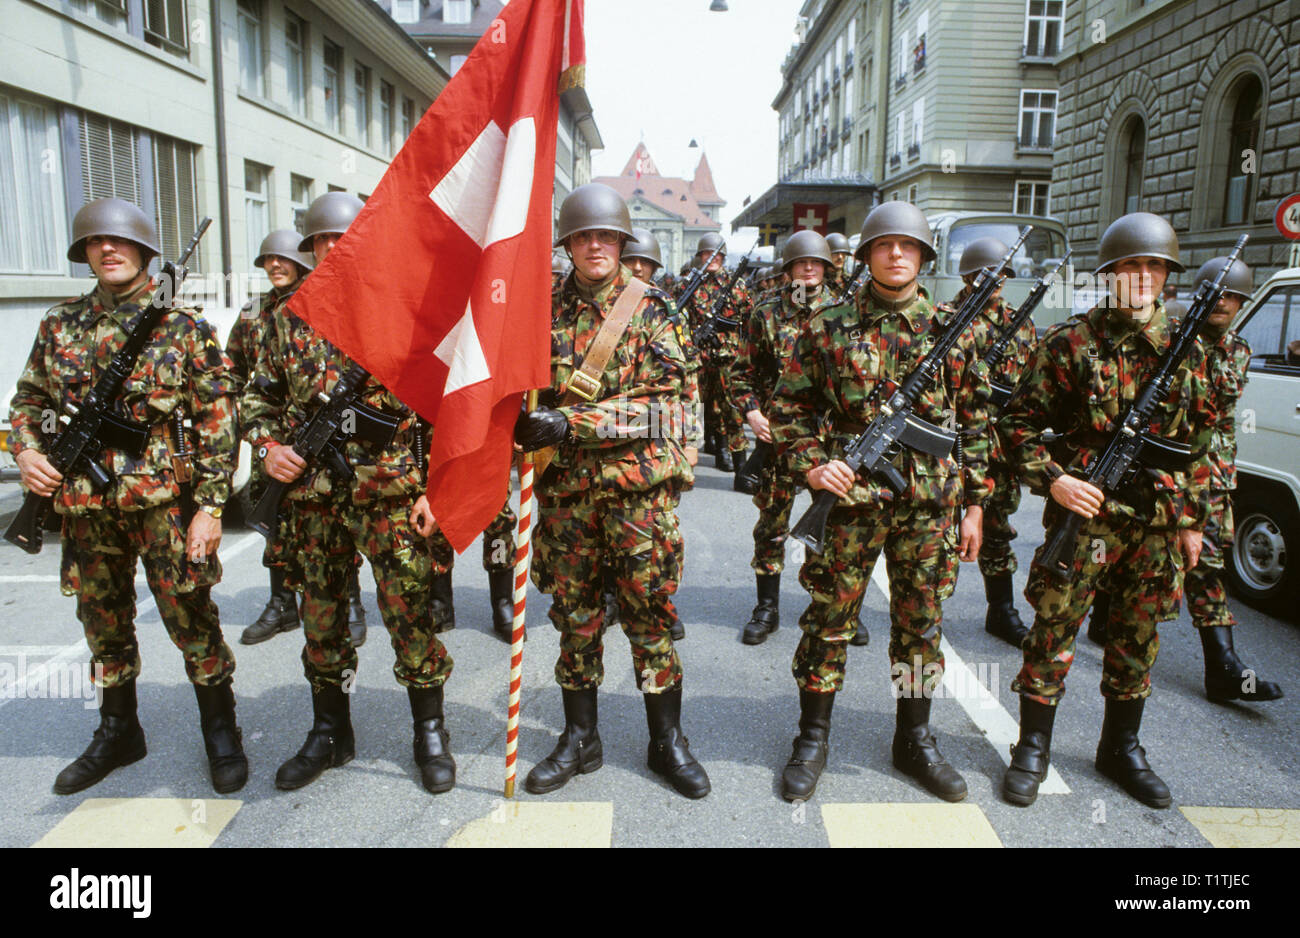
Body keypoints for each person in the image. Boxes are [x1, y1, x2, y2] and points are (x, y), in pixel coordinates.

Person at [10, 198, 246, 795]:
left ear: (144, 251)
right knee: (102, 624)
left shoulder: (182, 328)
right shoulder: (59, 324)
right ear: (84, 254)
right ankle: (118, 730)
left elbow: (218, 422)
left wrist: (212, 508)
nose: (107, 249)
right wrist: (27, 453)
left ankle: (221, 731)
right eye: (94, 243)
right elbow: (27, 405)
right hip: (86, 510)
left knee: (192, 618)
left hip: (164, 505)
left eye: (119, 241)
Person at [768, 201, 991, 803]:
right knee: (828, 623)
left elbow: (974, 424)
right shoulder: (825, 325)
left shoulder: (956, 328)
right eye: (885, 245)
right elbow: (788, 410)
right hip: (849, 507)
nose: (897, 254)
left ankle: (914, 739)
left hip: (929, 509)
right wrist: (814, 465)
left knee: (921, 626)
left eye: (909, 246)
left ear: (923, 256)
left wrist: (975, 506)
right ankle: (812, 738)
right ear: (866, 255)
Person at [241, 191, 455, 794]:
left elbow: (444, 411)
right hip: (312, 500)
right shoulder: (288, 317)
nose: (335, 249)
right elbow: (256, 397)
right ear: (312, 250)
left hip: (390, 496)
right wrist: (268, 446)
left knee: (410, 614)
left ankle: (429, 732)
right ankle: (330, 731)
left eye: (345, 238)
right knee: (322, 618)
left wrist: (437, 490)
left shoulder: (410, 311)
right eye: (323, 242)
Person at [999, 212, 1214, 809]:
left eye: (1154, 267)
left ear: (1166, 277)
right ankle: (1032, 747)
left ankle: (1121, 748)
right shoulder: (1071, 342)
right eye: (1131, 266)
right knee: (1053, 631)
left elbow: (1204, 442)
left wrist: (1195, 519)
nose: (1143, 276)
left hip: (1157, 527)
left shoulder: (1189, 348)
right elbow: (1013, 427)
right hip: (1085, 519)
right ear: (1111, 273)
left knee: (1136, 640)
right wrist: (1056, 481)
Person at [517, 183, 708, 799]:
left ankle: (666, 742)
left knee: (650, 615)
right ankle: (580, 738)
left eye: (605, 236)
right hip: (565, 497)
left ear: (622, 243)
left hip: (638, 501)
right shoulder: (536, 310)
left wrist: (573, 422)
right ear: (567, 244)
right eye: (582, 236)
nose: (594, 245)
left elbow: (667, 408)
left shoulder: (655, 310)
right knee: (574, 619)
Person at [732, 231, 868, 648]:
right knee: (771, 523)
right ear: (788, 267)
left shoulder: (849, 314)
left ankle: (838, 606)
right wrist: (753, 413)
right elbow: (741, 373)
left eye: (816, 263)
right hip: (779, 436)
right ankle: (767, 607)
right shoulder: (765, 313)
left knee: (836, 525)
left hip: (832, 441)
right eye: (800, 263)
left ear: (827, 266)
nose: (808, 269)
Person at [1180, 257, 1282, 704]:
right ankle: (1104, 617)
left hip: (1212, 476)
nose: (1223, 301)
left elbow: (1219, 420)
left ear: (1242, 301)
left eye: (1233, 295)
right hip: (1162, 470)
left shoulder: (1238, 350)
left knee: (1208, 564)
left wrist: (1219, 477)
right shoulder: (1172, 343)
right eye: (1216, 293)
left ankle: (1224, 666)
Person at [949, 237, 1040, 647]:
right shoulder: (947, 319)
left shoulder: (1021, 323)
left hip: (1000, 446)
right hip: (954, 441)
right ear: (968, 276)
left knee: (998, 527)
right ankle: (920, 607)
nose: (996, 281)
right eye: (988, 273)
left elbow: (1033, 384)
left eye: (1003, 274)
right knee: (930, 527)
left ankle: (1000, 610)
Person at [229, 230, 314, 646]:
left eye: (282, 259)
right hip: (269, 437)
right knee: (273, 520)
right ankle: (282, 604)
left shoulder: (319, 301)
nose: (274, 266)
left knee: (328, 522)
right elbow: (231, 368)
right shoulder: (252, 312)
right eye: (267, 260)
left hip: (316, 436)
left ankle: (349, 602)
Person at [623, 227, 695, 642]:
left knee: (657, 542)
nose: (637, 268)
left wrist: (691, 439)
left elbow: (688, 381)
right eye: (632, 261)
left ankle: (661, 606)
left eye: (644, 264)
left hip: (655, 443)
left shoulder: (663, 310)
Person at [680, 233, 754, 484]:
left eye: (716, 254)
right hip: (697, 357)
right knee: (693, 410)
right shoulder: (689, 285)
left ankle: (739, 466)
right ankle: (686, 463)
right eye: (706, 254)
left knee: (732, 411)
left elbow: (748, 320)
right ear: (699, 256)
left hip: (728, 358)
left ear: (723, 256)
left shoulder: (737, 285)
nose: (711, 259)